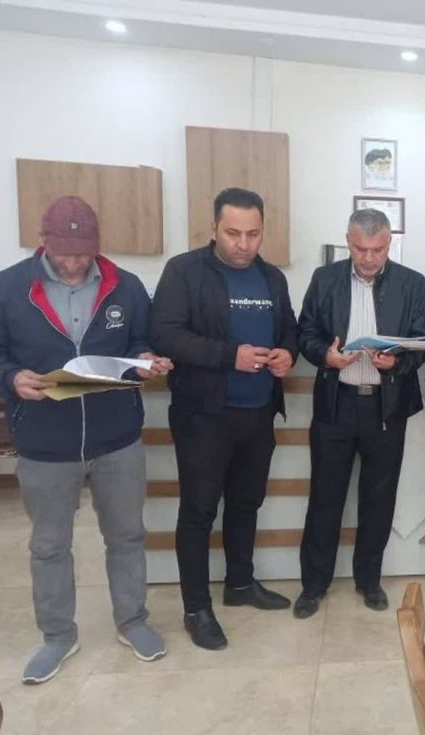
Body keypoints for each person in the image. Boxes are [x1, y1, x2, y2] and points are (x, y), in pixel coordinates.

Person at [0, 195, 171, 683]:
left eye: (83, 253)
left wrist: (146, 360)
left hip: (118, 439)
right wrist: (11, 379)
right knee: (49, 544)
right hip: (44, 442)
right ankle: (57, 635)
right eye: (64, 253)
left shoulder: (126, 287)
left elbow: (139, 342)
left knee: (127, 535)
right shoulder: (4, 289)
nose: (74, 264)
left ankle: (132, 621)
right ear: (42, 241)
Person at [150, 187, 298, 650]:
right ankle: (196, 608)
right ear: (213, 227)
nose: (243, 244)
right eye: (233, 233)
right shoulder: (184, 271)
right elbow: (165, 334)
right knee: (198, 512)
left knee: (245, 504)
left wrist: (287, 354)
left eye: (253, 234)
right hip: (204, 417)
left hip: (259, 413)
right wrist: (229, 355)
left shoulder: (271, 277)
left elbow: (289, 328)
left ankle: (240, 583)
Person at [294, 209, 425, 617]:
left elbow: (423, 343)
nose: (369, 258)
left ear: (389, 243)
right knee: (325, 498)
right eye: (360, 249)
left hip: (386, 407)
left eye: (378, 249)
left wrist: (398, 363)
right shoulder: (325, 279)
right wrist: (326, 356)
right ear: (348, 242)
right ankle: (313, 586)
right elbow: (305, 332)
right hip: (336, 403)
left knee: (378, 499)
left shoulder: (412, 283)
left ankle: (368, 581)